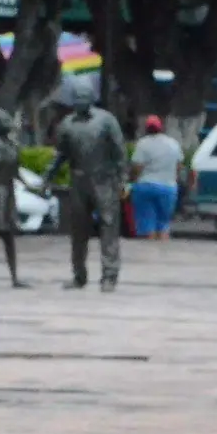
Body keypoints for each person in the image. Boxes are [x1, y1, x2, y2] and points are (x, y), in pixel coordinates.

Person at [44, 74, 128, 292]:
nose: (80, 101)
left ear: (91, 98)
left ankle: (109, 275)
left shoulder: (106, 120)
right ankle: (79, 275)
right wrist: (48, 175)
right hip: (79, 181)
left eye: (84, 97)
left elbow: (120, 152)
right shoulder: (67, 124)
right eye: (77, 97)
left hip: (104, 181)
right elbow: (60, 154)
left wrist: (123, 179)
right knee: (78, 231)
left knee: (109, 228)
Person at [0, 109, 31, 288]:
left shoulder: (12, 145)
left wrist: (31, 187)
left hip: (8, 193)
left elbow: (16, 172)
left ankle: (14, 277)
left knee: (9, 237)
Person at [129, 116, 183, 240]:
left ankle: (150, 254)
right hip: (168, 187)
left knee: (148, 224)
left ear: (146, 129)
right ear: (161, 128)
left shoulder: (143, 143)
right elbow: (179, 165)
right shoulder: (173, 143)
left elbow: (137, 166)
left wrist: (132, 181)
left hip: (145, 186)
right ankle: (163, 253)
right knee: (164, 224)